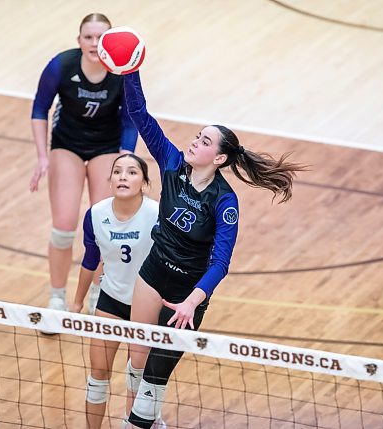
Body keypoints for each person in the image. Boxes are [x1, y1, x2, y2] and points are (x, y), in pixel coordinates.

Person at [121, 71, 306, 429]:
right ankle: (148, 419)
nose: (194, 142)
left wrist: (192, 300)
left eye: (204, 141)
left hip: (188, 291)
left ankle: (139, 421)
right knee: (138, 358)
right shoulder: (171, 163)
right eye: (196, 136)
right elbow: (139, 112)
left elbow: (221, 262)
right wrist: (131, 67)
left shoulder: (224, 201)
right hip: (154, 271)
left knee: (157, 372)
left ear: (218, 158)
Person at [30, 13, 138, 314]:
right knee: (64, 228)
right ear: (79, 41)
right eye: (88, 37)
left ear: (110, 40)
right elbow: (40, 109)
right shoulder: (61, 66)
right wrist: (42, 156)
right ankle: (56, 297)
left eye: (100, 37)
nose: (93, 43)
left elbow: (130, 121)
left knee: (103, 227)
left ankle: (97, 292)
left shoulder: (123, 72)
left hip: (106, 148)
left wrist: (123, 160)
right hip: (67, 146)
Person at [70, 154, 162, 429]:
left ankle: (137, 423)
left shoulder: (157, 214)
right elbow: (90, 260)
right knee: (97, 375)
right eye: (118, 172)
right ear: (109, 181)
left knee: (137, 376)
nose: (123, 176)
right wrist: (76, 302)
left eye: (132, 172)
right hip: (111, 300)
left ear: (144, 183)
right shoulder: (96, 215)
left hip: (146, 305)